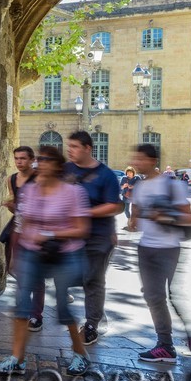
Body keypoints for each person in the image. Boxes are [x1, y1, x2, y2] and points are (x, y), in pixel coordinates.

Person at [0, 144, 91, 375]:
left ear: (58, 165)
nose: (42, 163)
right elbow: (25, 220)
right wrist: (22, 249)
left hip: (64, 253)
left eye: (47, 159)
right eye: (40, 159)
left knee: (63, 308)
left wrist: (50, 234)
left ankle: (80, 355)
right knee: (20, 307)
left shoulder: (72, 192)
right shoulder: (31, 190)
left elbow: (81, 229)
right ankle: (17, 359)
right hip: (32, 251)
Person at [128, 143, 191, 365]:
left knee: (158, 296)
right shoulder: (138, 186)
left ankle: (166, 345)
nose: (136, 163)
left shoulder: (170, 185)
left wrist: (163, 215)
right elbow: (135, 217)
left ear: (152, 161)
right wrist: (134, 220)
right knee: (151, 295)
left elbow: (188, 218)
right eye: (135, 159)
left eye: (140, 159)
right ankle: (165, 343)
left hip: (168, 247)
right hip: (145, 247)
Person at [63, 131, 123, 345]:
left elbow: (114, 205)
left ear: (88, 148)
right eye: (68, 146)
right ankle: (93, 309)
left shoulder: (106, 175)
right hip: (70, 236)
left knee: (93, 280)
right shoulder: (66, 169)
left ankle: (91, 324)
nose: (70, 150)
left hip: (98, 237)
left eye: (75, 146)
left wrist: (84, 212)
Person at [1, 146, 42, 327]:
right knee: (17, 269)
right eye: (17, 158)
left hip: (36, 230)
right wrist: (10, 205)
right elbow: (15, 205)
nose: (19, 162)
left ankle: (36, 314)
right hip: (17, 229)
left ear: (32, 159)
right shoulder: (11, 179)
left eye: (23, 158)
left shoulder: (40, 179)